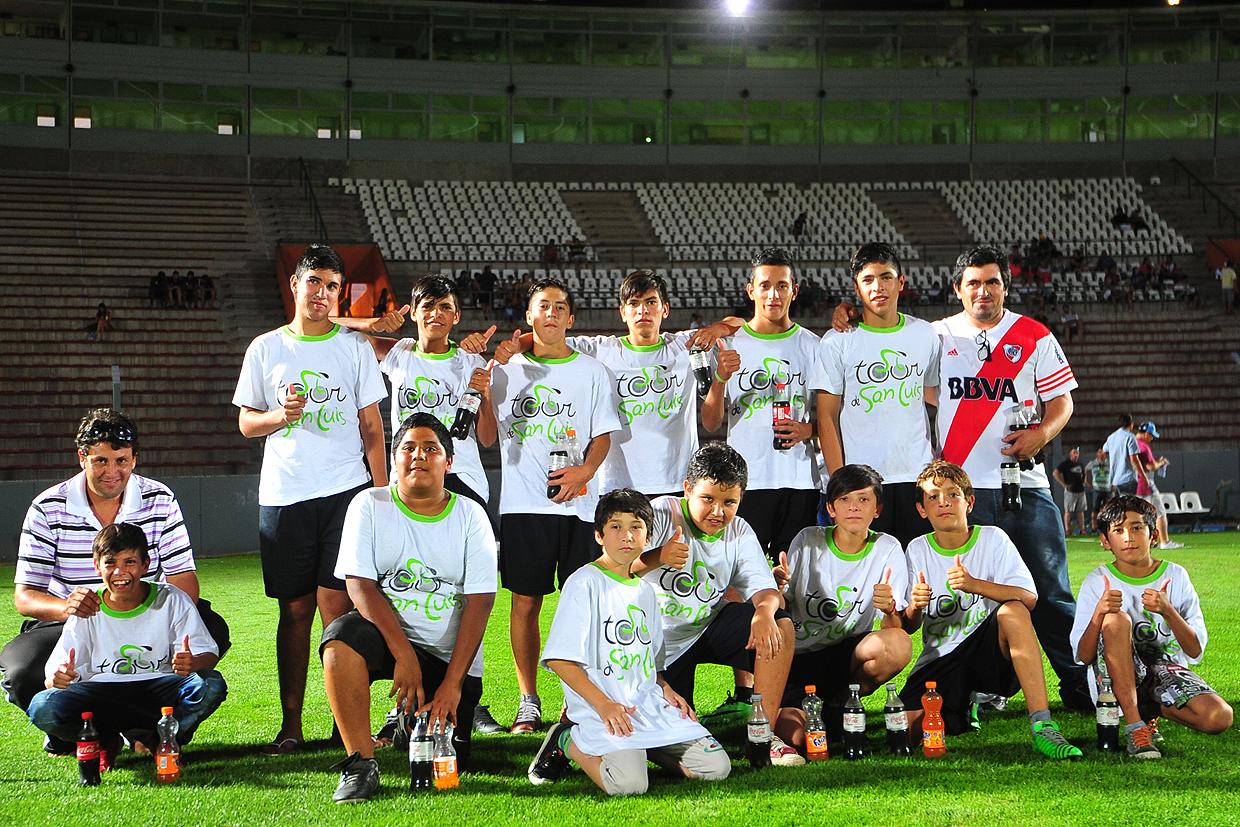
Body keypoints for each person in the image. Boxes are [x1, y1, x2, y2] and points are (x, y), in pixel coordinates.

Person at [232, 243, 389, 755]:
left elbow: (372, 427)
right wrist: (281, 416)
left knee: (338, 608)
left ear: (338, 294)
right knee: (294, 610)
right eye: (314, 282)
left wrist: (382, 494)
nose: (321, 293)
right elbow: (246, 423)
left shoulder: (353, 347)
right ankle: (292, 725)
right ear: (295, 285)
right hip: (284, 496)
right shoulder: (265, 348)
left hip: (345, 492)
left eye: (332, 287)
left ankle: (350, 732)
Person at [0, 408, 230, 755]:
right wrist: (69, 607)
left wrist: (154, 620)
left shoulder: (160, 498)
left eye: (121, 460)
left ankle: (147, 730)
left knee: (211, 631)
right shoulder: (47, 506)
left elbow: (185, 582)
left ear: (134, 459)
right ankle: (92, 733)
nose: (112, 472)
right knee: (21, 674)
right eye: (100, 461)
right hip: (75, 621)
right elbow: (25, 597)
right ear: (82, 459)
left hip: (146, 611)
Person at [926, 245, 1091, 712]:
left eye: (992, 281)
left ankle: (1078, 684)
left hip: (1027, 487)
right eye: (974, 283)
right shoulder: (935, 337)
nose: (983, 290)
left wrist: (1041, 433)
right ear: (958, 290)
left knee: (1051, 591)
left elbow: (1063, 403)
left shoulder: (1034, 335)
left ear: (1005, 286)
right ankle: (987, 685)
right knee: (968, 595)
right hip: (961, 495)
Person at [321, 414, 497, 804]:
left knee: (450, 758)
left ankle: (409, 721)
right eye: (408, 448)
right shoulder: (368, 504)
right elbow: (360, 585)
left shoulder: (471, 515)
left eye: (431, 448)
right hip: (390, 642)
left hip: (446, 659)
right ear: (393, 458)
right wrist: (403, 655)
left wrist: (452, 686)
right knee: (340, 638)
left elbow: (481, 601)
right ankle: (360, 764)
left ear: (449, 463)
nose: (419, 456)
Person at [527, 488, 731, 795]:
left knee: (716, 768)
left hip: (646, 703)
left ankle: (642, 748)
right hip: (602, 706)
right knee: (629, 785)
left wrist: (666, 689)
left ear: (647, 539)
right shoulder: (585, 582)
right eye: (615, 526)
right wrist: (605, 705)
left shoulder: (646, 591)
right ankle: (567, 739)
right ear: (599, 535)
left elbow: (651, 663)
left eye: (636, 526)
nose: (626, 535)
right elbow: (559, 659)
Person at [487, 278, 621, 733]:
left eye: (559, 307)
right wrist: (490, 374)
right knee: (525, 603)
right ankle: (528, 700)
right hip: (525, 504)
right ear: (528, 316)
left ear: (571, 318)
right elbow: (487, 435)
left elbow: (603, 435)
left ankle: (577, 700)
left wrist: (584, 473)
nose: (551, 313)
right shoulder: (505, 370)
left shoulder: (591, 371)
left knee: (581, 603)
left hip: (580, 508)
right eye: (542, 306)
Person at [475, 270, 738, 499]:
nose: (643, 310)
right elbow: (549, 338)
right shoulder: (600, 350)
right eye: (634, 303)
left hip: (675, 480)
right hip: (614, 483)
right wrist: (516, 345)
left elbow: (740, 323)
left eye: (651, 302)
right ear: (623, 313)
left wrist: (716, 329)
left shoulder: (686, 345)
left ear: (665, 309)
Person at [630, 443, 802, 767]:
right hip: (654, 646)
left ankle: (761, 736)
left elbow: (765, 589)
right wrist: (657, 556)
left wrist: (764, 611)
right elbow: (613, 568)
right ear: (688, 490)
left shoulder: (739, 531)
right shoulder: (659, 515)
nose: (718, 512)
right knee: (674, 741)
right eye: (708, 499)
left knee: (780, 624)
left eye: (729, 502)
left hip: (706, 627)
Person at [900, 460, 1082, 759]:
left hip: (990, 654)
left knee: (1014, 611)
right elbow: (908, 625)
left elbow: (1029, 597)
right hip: (941, 659)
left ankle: (1043, 726)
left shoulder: (993, 538)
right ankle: (964, 705)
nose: (943, 502)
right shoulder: (917, 549)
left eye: (953, 494)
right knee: (906, 734)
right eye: (933, 497)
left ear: (969, 502)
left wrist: (974, 584)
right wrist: (916, 606)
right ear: (922, 509)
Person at [26, 523, 226, 769]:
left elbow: (208, 654)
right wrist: (58, 678)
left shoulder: (172, 598)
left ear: (146, 565)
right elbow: (52, 679)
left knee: (211, 684)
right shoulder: (87, 607)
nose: (120, 572)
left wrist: (193, 663)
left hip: (158, 687)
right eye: (110, 563)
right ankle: (102, 739)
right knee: (43, 706)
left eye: (130, 562)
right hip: (101, 692)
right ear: (97, 566)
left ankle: (161, 739)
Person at [1069, 496, 1232, 759]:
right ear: (1105, 541)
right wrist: (1099, 612)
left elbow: (1193, 650)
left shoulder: (1176, 575)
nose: (1128, 537)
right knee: (1116, 619)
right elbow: (1084, 656)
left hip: (1164, 671)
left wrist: (1168, 611)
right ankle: (1135, 726)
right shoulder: (1098, 580)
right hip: (1113, 677)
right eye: (1118, 530)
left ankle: (1149, 710)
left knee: (1218, 717)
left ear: (1153, 534)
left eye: (1136, 528)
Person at [771, 464, 911, 754]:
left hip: (844, 656)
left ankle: (840, 703)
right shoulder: (808, 540)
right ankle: (816, 714)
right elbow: (782, 606)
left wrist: (888, 610)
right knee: (798, 738)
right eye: (844, 499)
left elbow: (893, 631)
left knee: (899, 644)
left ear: (877, 510)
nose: (854, 507)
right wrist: (777, 589)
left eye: (863, 499)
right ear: (831, 509)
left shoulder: (887, 547)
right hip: (797, 658)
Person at [813, 242, 940, 548]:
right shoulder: (837, 342)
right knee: (869, 576)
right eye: (868, 280)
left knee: (917, 572)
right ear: (856, 288)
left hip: (916, 477)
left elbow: (934, 399)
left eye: (885, 277)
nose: (878, 287)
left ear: (901, 282)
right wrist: (839, 482)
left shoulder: (925, 335)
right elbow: (826, 417)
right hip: (863, 481)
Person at [336, 275, 497, 509]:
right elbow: (328, 326)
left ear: (456, 316)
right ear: (413, 313)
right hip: (408, 475)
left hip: (460, 476)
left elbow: (487, 439)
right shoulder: (399, 352)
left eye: (445, 307)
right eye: (428, 306)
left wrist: (486, 397)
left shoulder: (472, 363)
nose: (436, 313)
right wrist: (370, 324)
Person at [703, 247, 821, 561]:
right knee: (740, 576)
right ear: (751, 290)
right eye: (765, 285)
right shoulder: (728, 344)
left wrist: (808, 429)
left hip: (799, 480)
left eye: (782, 285)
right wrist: (721, 378)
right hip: (745, 480)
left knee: (794, 575)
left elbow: (833, 417)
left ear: (794, 291)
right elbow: (710, 423)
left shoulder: (813, 346)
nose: (773, 294)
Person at [1135, 421, 1183, 551]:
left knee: (1137, 516)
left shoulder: (1131, 443)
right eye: (1151, 436)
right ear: (1146, 434)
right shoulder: (1144, 446)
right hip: (1146, 485)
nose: (1151, 439)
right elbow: (1150, 466)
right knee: (1160, 512)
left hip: (1133, 485)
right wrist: (1160, 463)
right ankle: (1165, 542)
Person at [1104, 414, 1142, 496]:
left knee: (1118, 507)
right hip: (1128, 479)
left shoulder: (1111, 437)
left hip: (1115, 480)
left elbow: (1104, 450)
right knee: (1129, 507)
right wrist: (1144, 477)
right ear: (1131, 424)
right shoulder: (1130, 437)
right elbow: (1134, 459)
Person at [1053, 447, 1088, 537]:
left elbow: (1084, 472)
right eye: (1074, 453)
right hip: (1070, 491)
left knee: (1080, 511)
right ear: (1070, 454)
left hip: (1080, 490)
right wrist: (1064, 484)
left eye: (1077, 453)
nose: (1076, 455)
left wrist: (1084, 482)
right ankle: (1067, 530)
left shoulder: (1080, 464)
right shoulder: (1066, 464)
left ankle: (1082, 529)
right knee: (1068, 511)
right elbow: (1055, 473)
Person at [1084, 446, 1110, 534]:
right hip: (1097, 489)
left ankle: (1107, 526)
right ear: (1097, 453)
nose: (1101, 454)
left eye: (1103, 452)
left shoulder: (1109, 463)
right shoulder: (1093, 463)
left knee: (1108, 508)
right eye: (1100, 452)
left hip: (1107, 488)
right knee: (1095, 509)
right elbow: (1085, 471)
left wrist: (1113, 483)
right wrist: (1087, 482)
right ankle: (1094, 527)